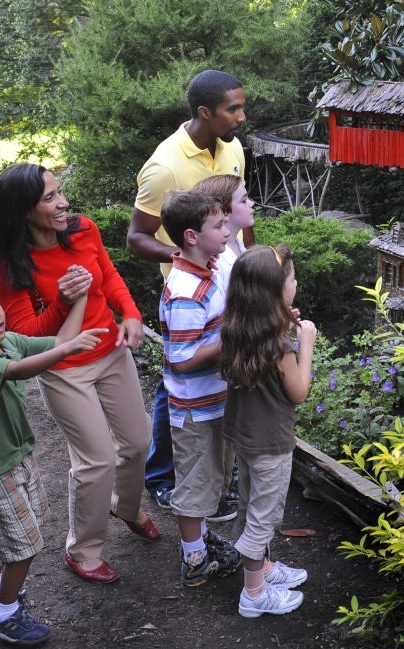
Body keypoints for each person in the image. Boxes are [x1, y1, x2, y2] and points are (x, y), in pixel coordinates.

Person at [0, 163, 159, 585]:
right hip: (64, 369)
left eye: (60, 192)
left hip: (111, 352)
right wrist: (63, 301)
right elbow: (26, 338)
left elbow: (109, 277)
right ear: (23, 210)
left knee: (138, 442)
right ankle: (83, 550)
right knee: (96, 459)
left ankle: (127, 507)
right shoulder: (7, 265)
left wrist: (131, 313)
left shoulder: (83, 230)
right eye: (49, 198)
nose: (63, 203)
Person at [0, 274, 104, 645]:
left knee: (30, 533)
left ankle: (1, 592)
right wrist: (69, 348)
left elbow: (59, 342)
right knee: (22, 547)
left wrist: (79, 301)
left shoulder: (6, 341)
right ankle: (3, 615)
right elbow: (23, 369)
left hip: (18, 457)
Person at [128, 69, 249, 518]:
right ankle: (161, 477)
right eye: (232, 109)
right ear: (205, 112)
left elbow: (240, 218)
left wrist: (250, 270)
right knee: (176, 381)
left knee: (211, 381)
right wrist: (188, 255)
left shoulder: (233, 148)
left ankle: (216, 471)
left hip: (228, 282)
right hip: (189, 290)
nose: (241, 116)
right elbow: (136, 237)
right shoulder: (164, 167)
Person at [221, 244, 316, 618]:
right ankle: (254, 593)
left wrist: (281, 322)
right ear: (277, 291)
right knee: (264, 516)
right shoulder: (279, 346)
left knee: (249, 503)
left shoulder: (236, 328)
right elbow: (299, 392)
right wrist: (304, 345)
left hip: (244, 437)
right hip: (272, 444)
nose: (296, 281)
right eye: (291, 277)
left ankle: (262, 569)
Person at [158, 189, 242, 587]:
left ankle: (201, 540)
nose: (228, 230)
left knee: (212, 476)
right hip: (195, 407)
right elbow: (182, 357)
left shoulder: (207, 274)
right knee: (195, 482)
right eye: (219, 225)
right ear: (191, 236)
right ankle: (194, 559)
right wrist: (234, 338)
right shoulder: (187, 291)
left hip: (213, 401)